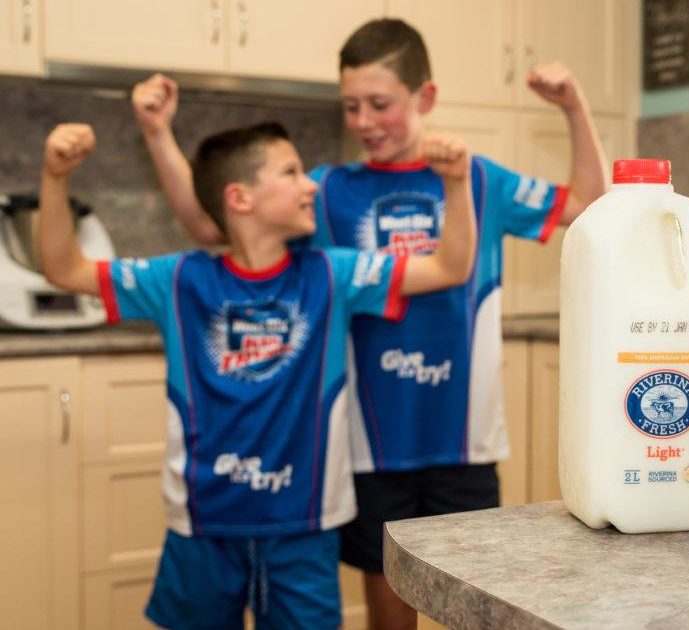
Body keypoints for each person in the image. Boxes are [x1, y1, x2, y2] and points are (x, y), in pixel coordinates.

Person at [130, 17, 608, 630]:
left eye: (379, 104)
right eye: (351, 106)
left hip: (465, 443)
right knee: (392, 617)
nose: (363, 121)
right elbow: (213, 223)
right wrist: (158, 134)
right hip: (369, 449)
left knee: (478, 611)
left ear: (424, 99)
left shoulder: (480, 178)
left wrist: (573, 106)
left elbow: (590, 208)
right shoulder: (324, 191)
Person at [37, 120, 476, 629]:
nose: (310, 183)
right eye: (290, 171)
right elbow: (64, 268)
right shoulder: (178, 280)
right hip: (203, 524)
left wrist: (457, 181)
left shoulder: (332, 275)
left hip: (306, 526)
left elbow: (450, 266)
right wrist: (54, 177)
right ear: (241, 198)